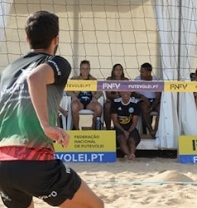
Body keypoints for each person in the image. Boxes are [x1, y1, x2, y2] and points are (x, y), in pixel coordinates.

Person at [0, 11, 103, 208]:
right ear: (56, 40)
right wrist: (46, 125)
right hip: (34, 161)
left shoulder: (8, 71)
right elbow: (35, 78)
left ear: (27, 38)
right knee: (94, 206)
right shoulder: (57, 63)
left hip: (3, 165)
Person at [66, 60, 103, 130]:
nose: (85, 70)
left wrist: (95, 97)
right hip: (79, 101)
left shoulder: (94, 80)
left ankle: (92, 128)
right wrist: (73, 96)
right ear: (80, 69)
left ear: (89, 69)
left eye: (87, 68)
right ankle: (77, 129)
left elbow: (100, 92)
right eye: (83, 68)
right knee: (74, 106)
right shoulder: (74, 79)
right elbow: (68, 91)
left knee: (99, 109)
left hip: (90, 102)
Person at [111, 91, 141, 161]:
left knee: (131, 140)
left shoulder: (135, 103)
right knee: (121, 139)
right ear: (120, 93)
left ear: (130, 92)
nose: (125, 93)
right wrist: (124, 131)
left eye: (127, 91)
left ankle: (132, 154)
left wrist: (128, 131)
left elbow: (134, 122)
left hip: (131, 127)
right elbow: (115, 121)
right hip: (119, 127)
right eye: (123, 91)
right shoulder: (115, 102)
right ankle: (128, 154)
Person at [133, 62, 161, 137]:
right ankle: (150, 129)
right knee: (144, 108)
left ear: (148, 73)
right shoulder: (137, 79)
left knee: (161, 109)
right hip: (142, 100)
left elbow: (158, 97)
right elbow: (133, 93)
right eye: (140, 71)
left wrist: (152, 107)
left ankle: (156, 130)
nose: (140, 73)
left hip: (154, 101)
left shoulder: (156, 80)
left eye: (142, 72)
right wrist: (142, 97)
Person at [104, 63, 129, 130]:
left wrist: (121, 96)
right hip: (112, 100)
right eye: (116, 69)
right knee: (107, 106)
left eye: (120, 69)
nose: (118, 71)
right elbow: (108, 94)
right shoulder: (109, 80)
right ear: (113, 71)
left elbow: (128, 93)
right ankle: (108, 128)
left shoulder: (125, 80)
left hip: (123, 101)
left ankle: (123, 128)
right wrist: (115, 96)